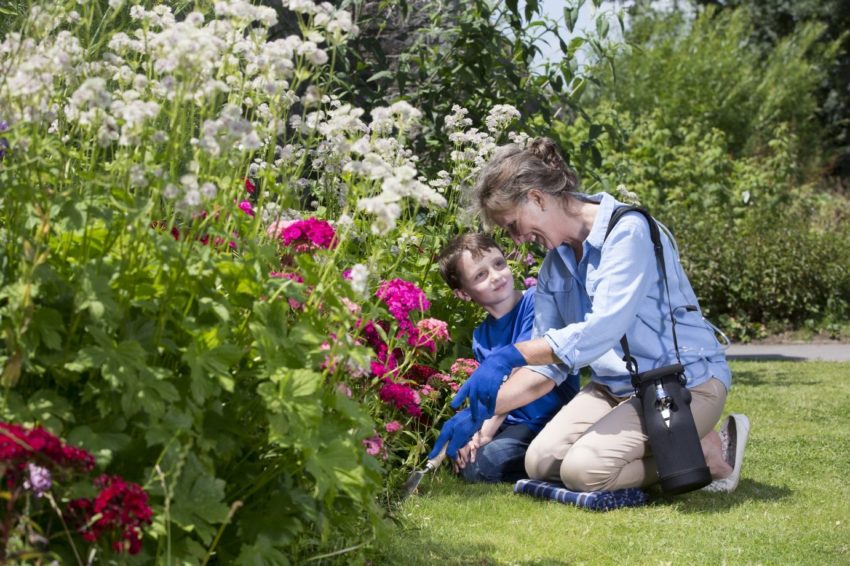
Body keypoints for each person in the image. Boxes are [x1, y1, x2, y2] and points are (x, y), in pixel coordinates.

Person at [444, 137, 750, 493]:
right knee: (540, 461)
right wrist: (477, 412)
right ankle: (686, 443)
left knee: (583, 472)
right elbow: (548, 366)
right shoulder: (554, 266)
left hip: (682, 384)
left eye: (513, 224)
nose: (517, 239)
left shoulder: (626, 232)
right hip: (615, 387)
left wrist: (514, 353)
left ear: (537, 198)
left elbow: (603, 329)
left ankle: (700, 450)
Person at [433, 233, 578, 483]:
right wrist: (475, 437)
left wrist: (485, 433)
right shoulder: (481, 335)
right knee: (463, 455)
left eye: (499, 264)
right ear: (464, 294)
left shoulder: (535, 303)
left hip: (545, 417)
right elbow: (490, 390)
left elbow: (514, 374)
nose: (496, 276)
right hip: (510, 421)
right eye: (480, 275)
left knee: (487, 463)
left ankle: (558, 457)